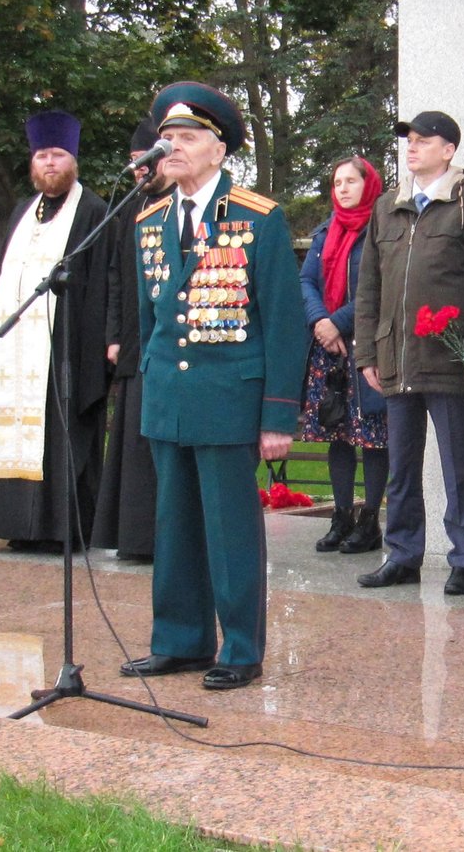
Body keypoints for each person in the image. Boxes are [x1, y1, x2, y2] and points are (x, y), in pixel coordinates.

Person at [118, 82, 306, 692]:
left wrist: (279, 415)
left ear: (218, 150)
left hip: (231, 398)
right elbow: (149, 320)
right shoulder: (148, 221)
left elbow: (282, 322)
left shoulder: (258, 218)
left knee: (230, 530)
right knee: (172, 527)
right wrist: (149, 389)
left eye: (187, 137)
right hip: (170, 401)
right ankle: (180, 640)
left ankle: (242, 648)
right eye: (166, 137)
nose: (171, 146)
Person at [353, 111, 464, 594]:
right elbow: (369, 285)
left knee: (459, 465)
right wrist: (368, 352)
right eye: (409, 141)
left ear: (449, 150)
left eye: (423, 141)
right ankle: (403, 554)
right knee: (401, 464)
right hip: (396, 355)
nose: (412, 149)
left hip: (448, 356)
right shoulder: (387, 206)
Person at [0, 110, 111, 552]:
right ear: (33, 163)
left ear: (74, 161)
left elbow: (103, 286)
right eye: (43, 155)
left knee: (61, 439)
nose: (50, 163)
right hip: (15, 352)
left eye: (59, 155)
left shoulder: (94, 212)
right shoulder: (21, 212)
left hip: (64, 349)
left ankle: (61, 530)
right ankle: (17, 527)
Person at [298, 156, 390, 555]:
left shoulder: (382, 230)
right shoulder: (325, 232)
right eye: (337, 183)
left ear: (368, 185)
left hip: (364, 346)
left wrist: (338, 322)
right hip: (329, 351)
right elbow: (305, 281)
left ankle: (369, 521)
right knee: (337, 434)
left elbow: (380, 287)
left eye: (351, 181)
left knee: (371, 436)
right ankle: (340, 516)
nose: (344, 189)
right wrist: (321, 321)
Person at [94, 118, 167, 561]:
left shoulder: (178, 202)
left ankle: (165, 536)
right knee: (132, 438)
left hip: (171, 336)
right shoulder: (126, 208)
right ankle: (135, 535)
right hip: (134, 340)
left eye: (147, 161)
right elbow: (116, 277)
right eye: (135, 163)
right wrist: (113, 335)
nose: (141, 169)